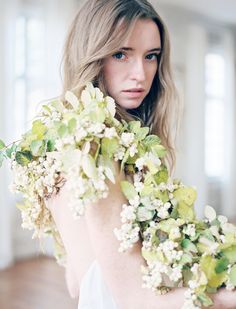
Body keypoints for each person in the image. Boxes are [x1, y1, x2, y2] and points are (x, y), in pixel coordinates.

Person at [45, 0, 236, 308]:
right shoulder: (97, 155)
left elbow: (74, 281)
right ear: (90, 55)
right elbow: (136, 298)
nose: (141, 74)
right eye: (121, 54)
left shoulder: (63, 144)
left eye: (151, 57)